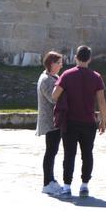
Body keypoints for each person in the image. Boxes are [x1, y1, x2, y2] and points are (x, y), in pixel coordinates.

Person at [52, 45, 106, 197]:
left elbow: (54, 95)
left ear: (76, 57)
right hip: (89, 122)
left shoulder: (67, 75)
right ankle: (84, 185)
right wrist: (103, 121)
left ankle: (67, 186)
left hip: (70, 121)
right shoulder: (96, 77)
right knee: (87, 154)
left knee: (69, 154)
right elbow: (101, 101)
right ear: (89, 59)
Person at [36, 51, 64, 195]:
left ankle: (51, 179)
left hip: (55, 121)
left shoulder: (54, 77)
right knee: (50, 152)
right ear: (51, 63)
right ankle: (47, 183)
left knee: (53, 151)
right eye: (59, 62)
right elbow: (53, 99)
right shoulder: (46, 80)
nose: (61, 65)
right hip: (49, 121)